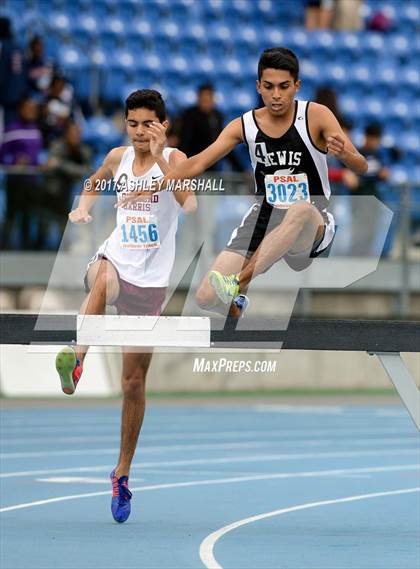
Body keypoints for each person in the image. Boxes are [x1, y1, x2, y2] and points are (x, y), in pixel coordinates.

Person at [119, 48, 367, 317]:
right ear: (258, 86)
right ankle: (236, 301)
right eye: (269, 87)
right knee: (204, 297)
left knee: (299, 209)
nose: (276, 95)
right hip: (265, 218)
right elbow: (198, 163)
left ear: (297, 86)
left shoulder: (316, 115)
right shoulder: (245, 125)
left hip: (310, 221)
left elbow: (362, 166)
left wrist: (346, 154)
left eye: (284, 87)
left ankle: (237, 284)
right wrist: (152, 184)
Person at [54, 89, 196, 523]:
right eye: (132, 123)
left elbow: (190, 204)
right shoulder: (117, 157)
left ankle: (122, 472)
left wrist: (163, 159)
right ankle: (76, 360)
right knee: (101, 276)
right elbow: (95, 180)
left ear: (163, 125)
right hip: (116, 262)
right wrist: (82, 209)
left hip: (151, 287)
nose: (138, 132)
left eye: (147, 124)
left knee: (133, 383)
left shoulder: (176, 160)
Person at [0, 97, 43, 249]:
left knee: (28, 216)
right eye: (28, 107)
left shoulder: (36, 130)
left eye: (33, 108)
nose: (31, 111)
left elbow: (37, 155)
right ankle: (5, 248)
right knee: (11, 216)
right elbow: (3, 156)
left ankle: (26, 251)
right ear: (21, 109)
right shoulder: (11, 130)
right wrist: (15, 161)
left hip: (32, 181)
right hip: (15, 180)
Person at [171, 83, 244, 172]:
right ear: (198, 98)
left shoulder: (217, 116)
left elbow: (224, 143)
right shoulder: (190, 116)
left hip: (212, 166)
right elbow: (184, 142)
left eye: (209, 98)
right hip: (193, 165)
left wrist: (241, 169)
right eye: (203, 99)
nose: (206, 102)